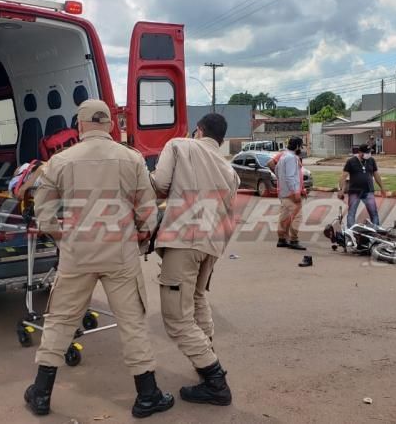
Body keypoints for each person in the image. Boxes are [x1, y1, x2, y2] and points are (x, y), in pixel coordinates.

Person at [24, 100, 174, 419]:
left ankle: (41, 393)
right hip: (120, 253)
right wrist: (140, 236)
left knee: (60, 320)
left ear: (79, 126)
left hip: (76, 254)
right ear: (110, 125)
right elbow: (147, 211)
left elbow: (44, 213)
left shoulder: (60, 161)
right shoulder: (131, 158)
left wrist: (63, 238)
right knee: (132, 322)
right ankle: (147, 396)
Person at [150, 113, 240, 407]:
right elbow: (229, 213)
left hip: (184, 240)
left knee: (176, 318)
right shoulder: (230, 170)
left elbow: (159, 184)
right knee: (198, 298)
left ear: (198, 130)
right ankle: (206, 357)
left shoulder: (179, 145)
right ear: (221, 139)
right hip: (211, 245)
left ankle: (215, 381)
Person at [338, 143, 387, 228]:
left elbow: (376, 175)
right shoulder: (351, 162)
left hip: (368, 191)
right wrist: (340, 189)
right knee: (351, 213)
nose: (369, 154)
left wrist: (382, 187)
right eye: (366, 152)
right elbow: (344, 176)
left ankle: (376, 230)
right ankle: (351, 231)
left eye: (369, 152)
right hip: (354, 192)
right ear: (360, 152)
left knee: (374, 212)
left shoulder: (371, 160)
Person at [274, 137, 306, 250]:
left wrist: (282, 183)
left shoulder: (283, 156)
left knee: (284, 215)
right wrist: (296, 192)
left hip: (283, 192)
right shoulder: (291, 158)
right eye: (301, 146)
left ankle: (282, 239)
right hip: (291, 193)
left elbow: (276, 171)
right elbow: (291, 176)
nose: (301, 148)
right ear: (297, 146)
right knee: (297, 216)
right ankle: (294, 240)